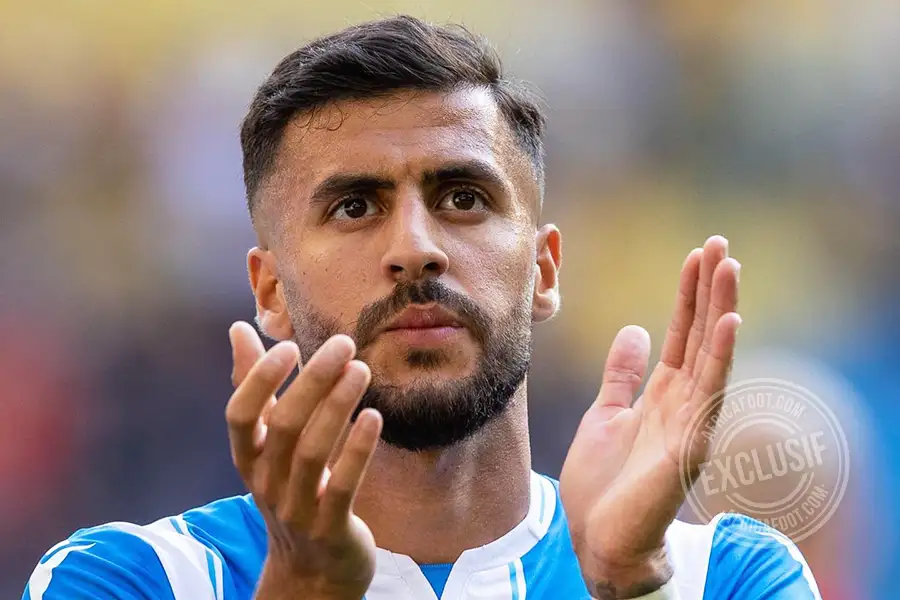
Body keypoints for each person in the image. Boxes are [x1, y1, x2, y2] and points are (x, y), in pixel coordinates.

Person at [24, 16, 822, 600]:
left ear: (544, 269)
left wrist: (629, 585)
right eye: (354, 207)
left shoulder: (722, 577)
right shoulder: (135, 579)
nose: (415, 247)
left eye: (463, 198)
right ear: (270, 291)